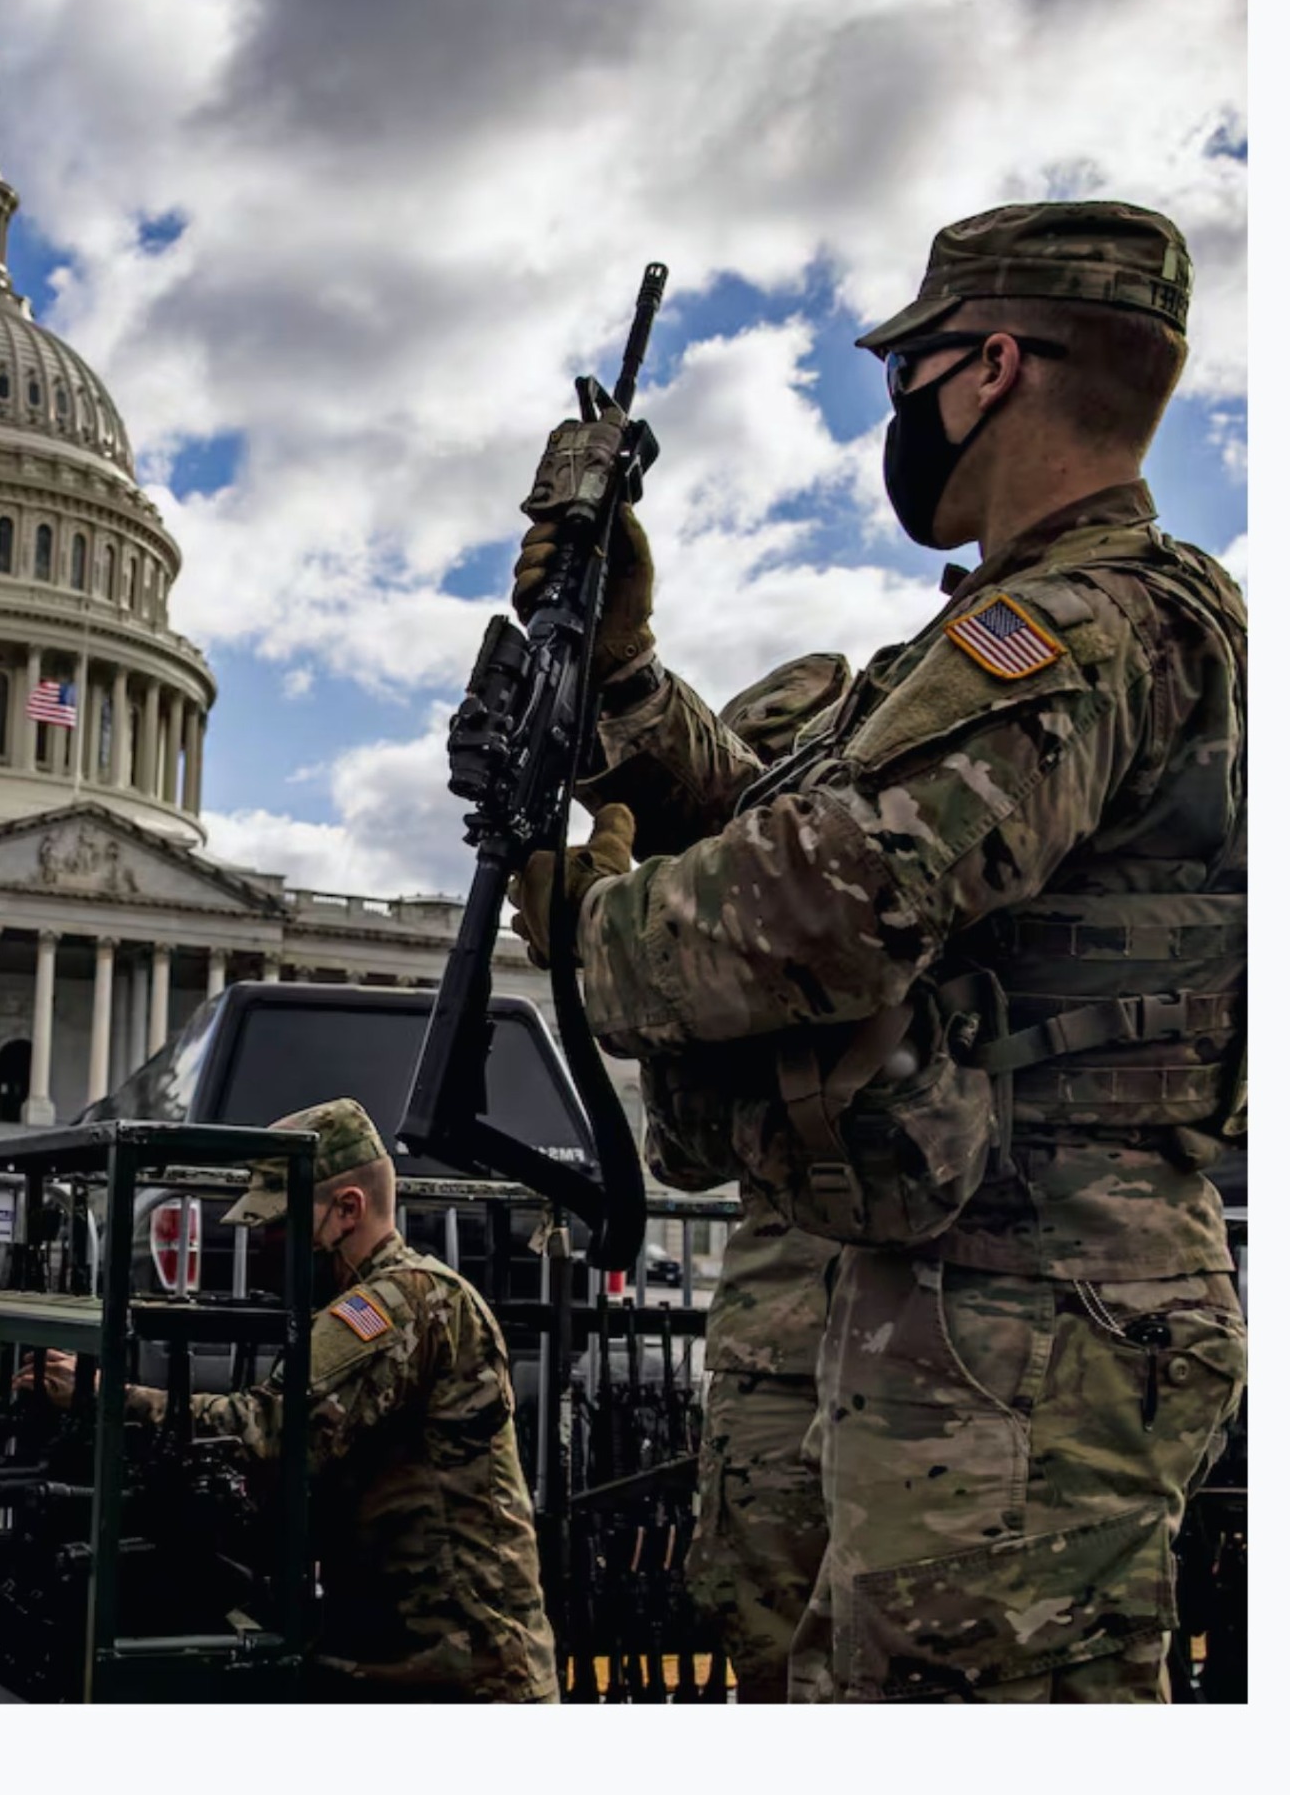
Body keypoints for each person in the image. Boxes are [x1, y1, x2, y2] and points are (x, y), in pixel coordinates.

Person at [508, 202, 1245, 1702]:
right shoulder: (1003, 634)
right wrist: (627, 683)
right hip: (961, 1277)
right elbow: (776, 821)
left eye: (905, 374)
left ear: (989, 367)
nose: (896, 412)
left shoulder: (1099, 624)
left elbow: (837, 896)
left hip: (1042, 1295)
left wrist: (593, 931)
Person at [536, 630, 851, 1702]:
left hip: (931, 1320)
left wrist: (611, 930)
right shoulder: (746, 935)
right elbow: (687, 1148)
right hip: (785, 1320)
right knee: (767, 1639)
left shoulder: (853, 861)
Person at [23, 1098, 559, 1701]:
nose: (270, 1244)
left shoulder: (402, 1303)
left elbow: (264, 1430)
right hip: (410, 1654)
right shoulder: (386, 1299)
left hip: (459, 1671)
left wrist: (105, 1397)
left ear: (347, 1210)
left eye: (283, 1224)